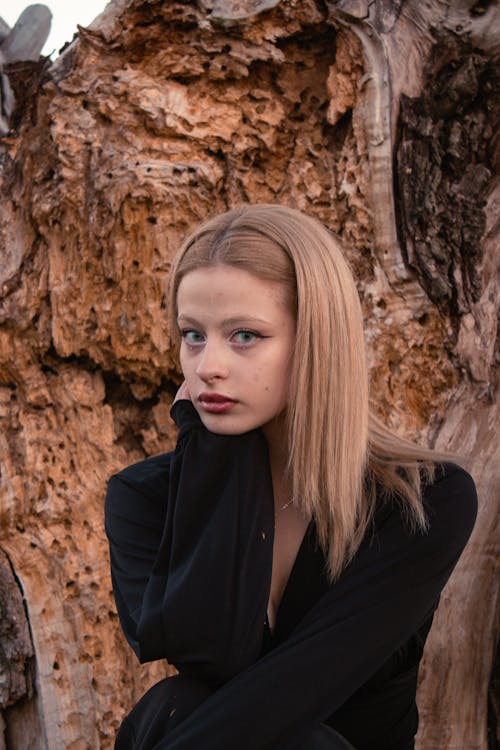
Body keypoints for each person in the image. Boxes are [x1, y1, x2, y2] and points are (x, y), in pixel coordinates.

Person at [105, 204, 477, 750]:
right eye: (193, 334)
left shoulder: (424, 502)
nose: (208, 365)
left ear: (316, 341)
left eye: (245, 336)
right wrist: (217, 452)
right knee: (172, 703)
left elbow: (290, 695)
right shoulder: (143, 499)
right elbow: (217, 653)